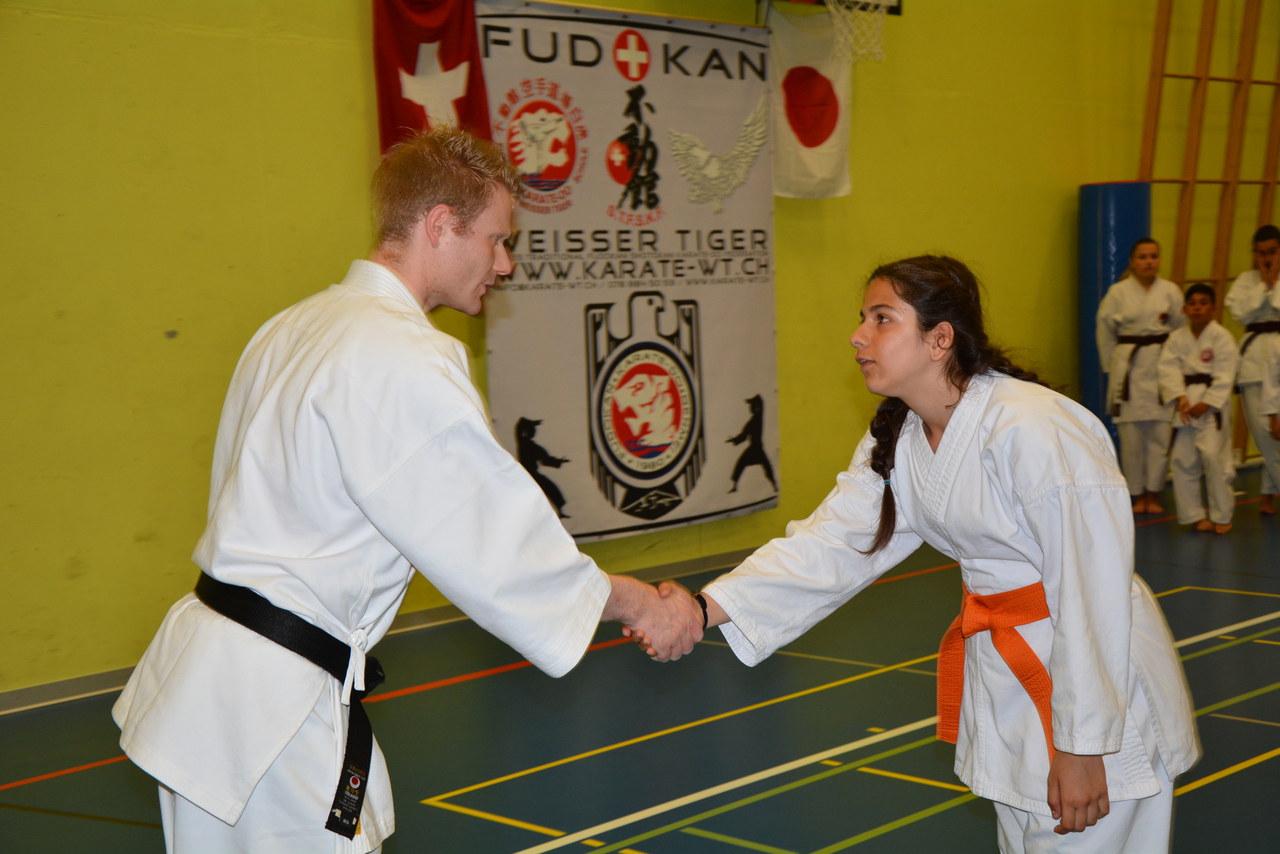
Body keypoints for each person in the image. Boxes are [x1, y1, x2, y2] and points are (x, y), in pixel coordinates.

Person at [112, 126, 703, 853]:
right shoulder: (401, 353)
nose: (506, 263)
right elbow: (494, 544)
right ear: (441, 226)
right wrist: (639, 602)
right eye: (496, 239)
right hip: (272, 718)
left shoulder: (292, 327)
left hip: (214, 695)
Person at [653, 256, 1200, 853]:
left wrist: (1083, 747)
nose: (858, 336)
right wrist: (702, 609)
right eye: (863, 318)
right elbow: (833, 542)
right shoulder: (902, 433)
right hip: (1009, 676)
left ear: (940, 339)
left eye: (882, 318)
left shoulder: (1033, 428)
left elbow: (1092, 592)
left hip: (1096, 697)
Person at [1096, 238, 1185, 514]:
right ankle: (1135, 495)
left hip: (1161, 366)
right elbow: (1104, 332)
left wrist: (1178, 367)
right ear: (1132, 262)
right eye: (1143, 257)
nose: (1149, 262)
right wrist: (1112, 367)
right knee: (1131, 438)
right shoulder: (1118, 292)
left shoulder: (1170, 291)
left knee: (1160, 436)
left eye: (1154, 256)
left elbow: (1180, 330)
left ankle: (1153, 494)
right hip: (1129, 369)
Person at [1157, 283, 1240, 534]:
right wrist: (1180, 397)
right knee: (1183, 460)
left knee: (1214, 459)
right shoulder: (1176, 338)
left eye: (1203, 303)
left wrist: (1208, 402)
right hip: (1185, 404)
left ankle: (1222, 515)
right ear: (1184, 309)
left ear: (1213, 308)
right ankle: (1193, 514)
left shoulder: (1222, 337)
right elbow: (1167, 369)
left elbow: (1226, 374)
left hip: (1212, 407)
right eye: (1192, 304)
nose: (1197, 308)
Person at [1224, 224, 1280, 515]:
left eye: (1273, 252)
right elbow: (1240, 312)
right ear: (1254, 254)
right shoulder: (1246, 281)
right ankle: (1271, 493)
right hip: (1254, 366)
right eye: (1261, 253)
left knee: (1277, 436)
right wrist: (1265, 286)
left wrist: (1275, 284)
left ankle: (1268, 495)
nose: (1267, 258)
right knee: (1265, 436)